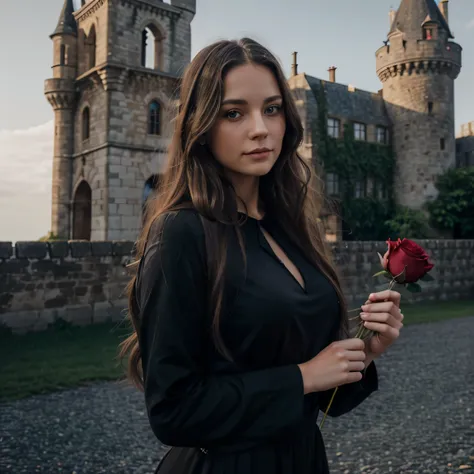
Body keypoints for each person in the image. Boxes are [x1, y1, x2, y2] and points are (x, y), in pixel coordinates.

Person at [119, 37, 404, 474]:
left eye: (272, 109)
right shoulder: (181, 232)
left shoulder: (290, 228)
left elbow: (323, 399)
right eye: (234, 113)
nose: (261, 128)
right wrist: (303, 376)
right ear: (200, 125)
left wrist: (363, 354)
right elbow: (173, 410)